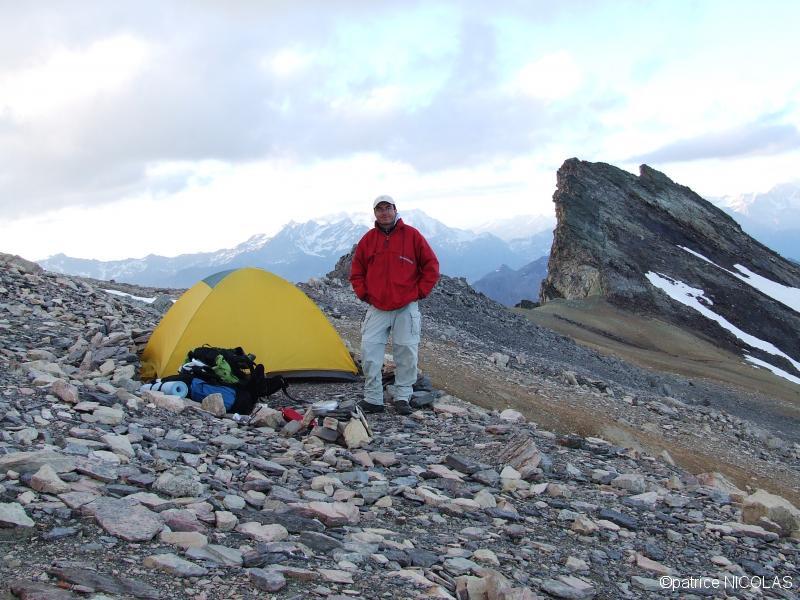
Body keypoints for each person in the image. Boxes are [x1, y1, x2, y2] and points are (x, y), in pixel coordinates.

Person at [350, 195, 440, 415]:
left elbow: (431, 265)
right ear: (375, 213)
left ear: (395, 210)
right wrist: (364, 294)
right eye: (379, 209)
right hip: (377, 306)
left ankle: (402, 396)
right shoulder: (368, 239)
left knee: (406, 352)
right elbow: (357, 271)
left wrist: (419, 292)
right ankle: (373, 399)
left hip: (406, 306)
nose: (384, 212)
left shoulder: (412, 235)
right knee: (370, 351)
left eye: (387, 208)